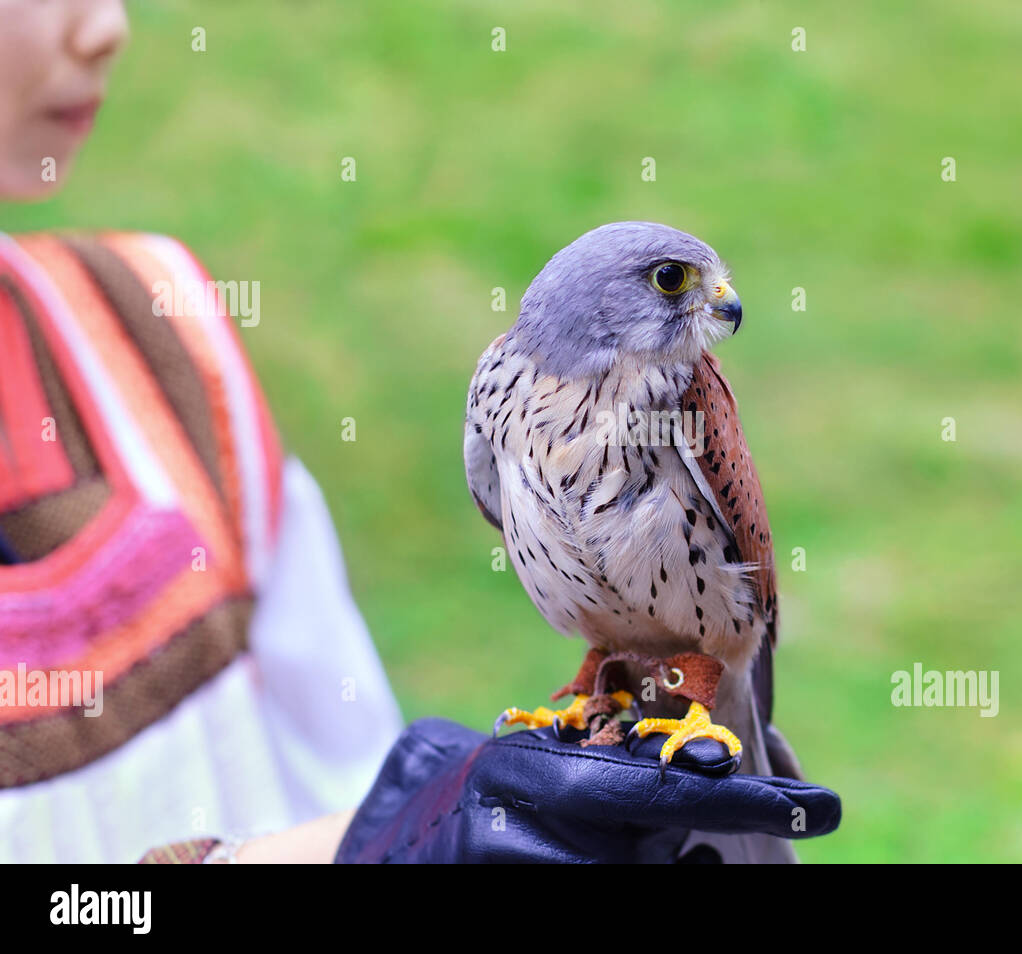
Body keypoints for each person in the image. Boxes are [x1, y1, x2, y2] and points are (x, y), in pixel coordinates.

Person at [0, 0, 839, 864]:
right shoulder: (502, 383)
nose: (107, 26)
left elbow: (339, 766)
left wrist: (405, 838)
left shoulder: (147, 328)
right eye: (675, 284)